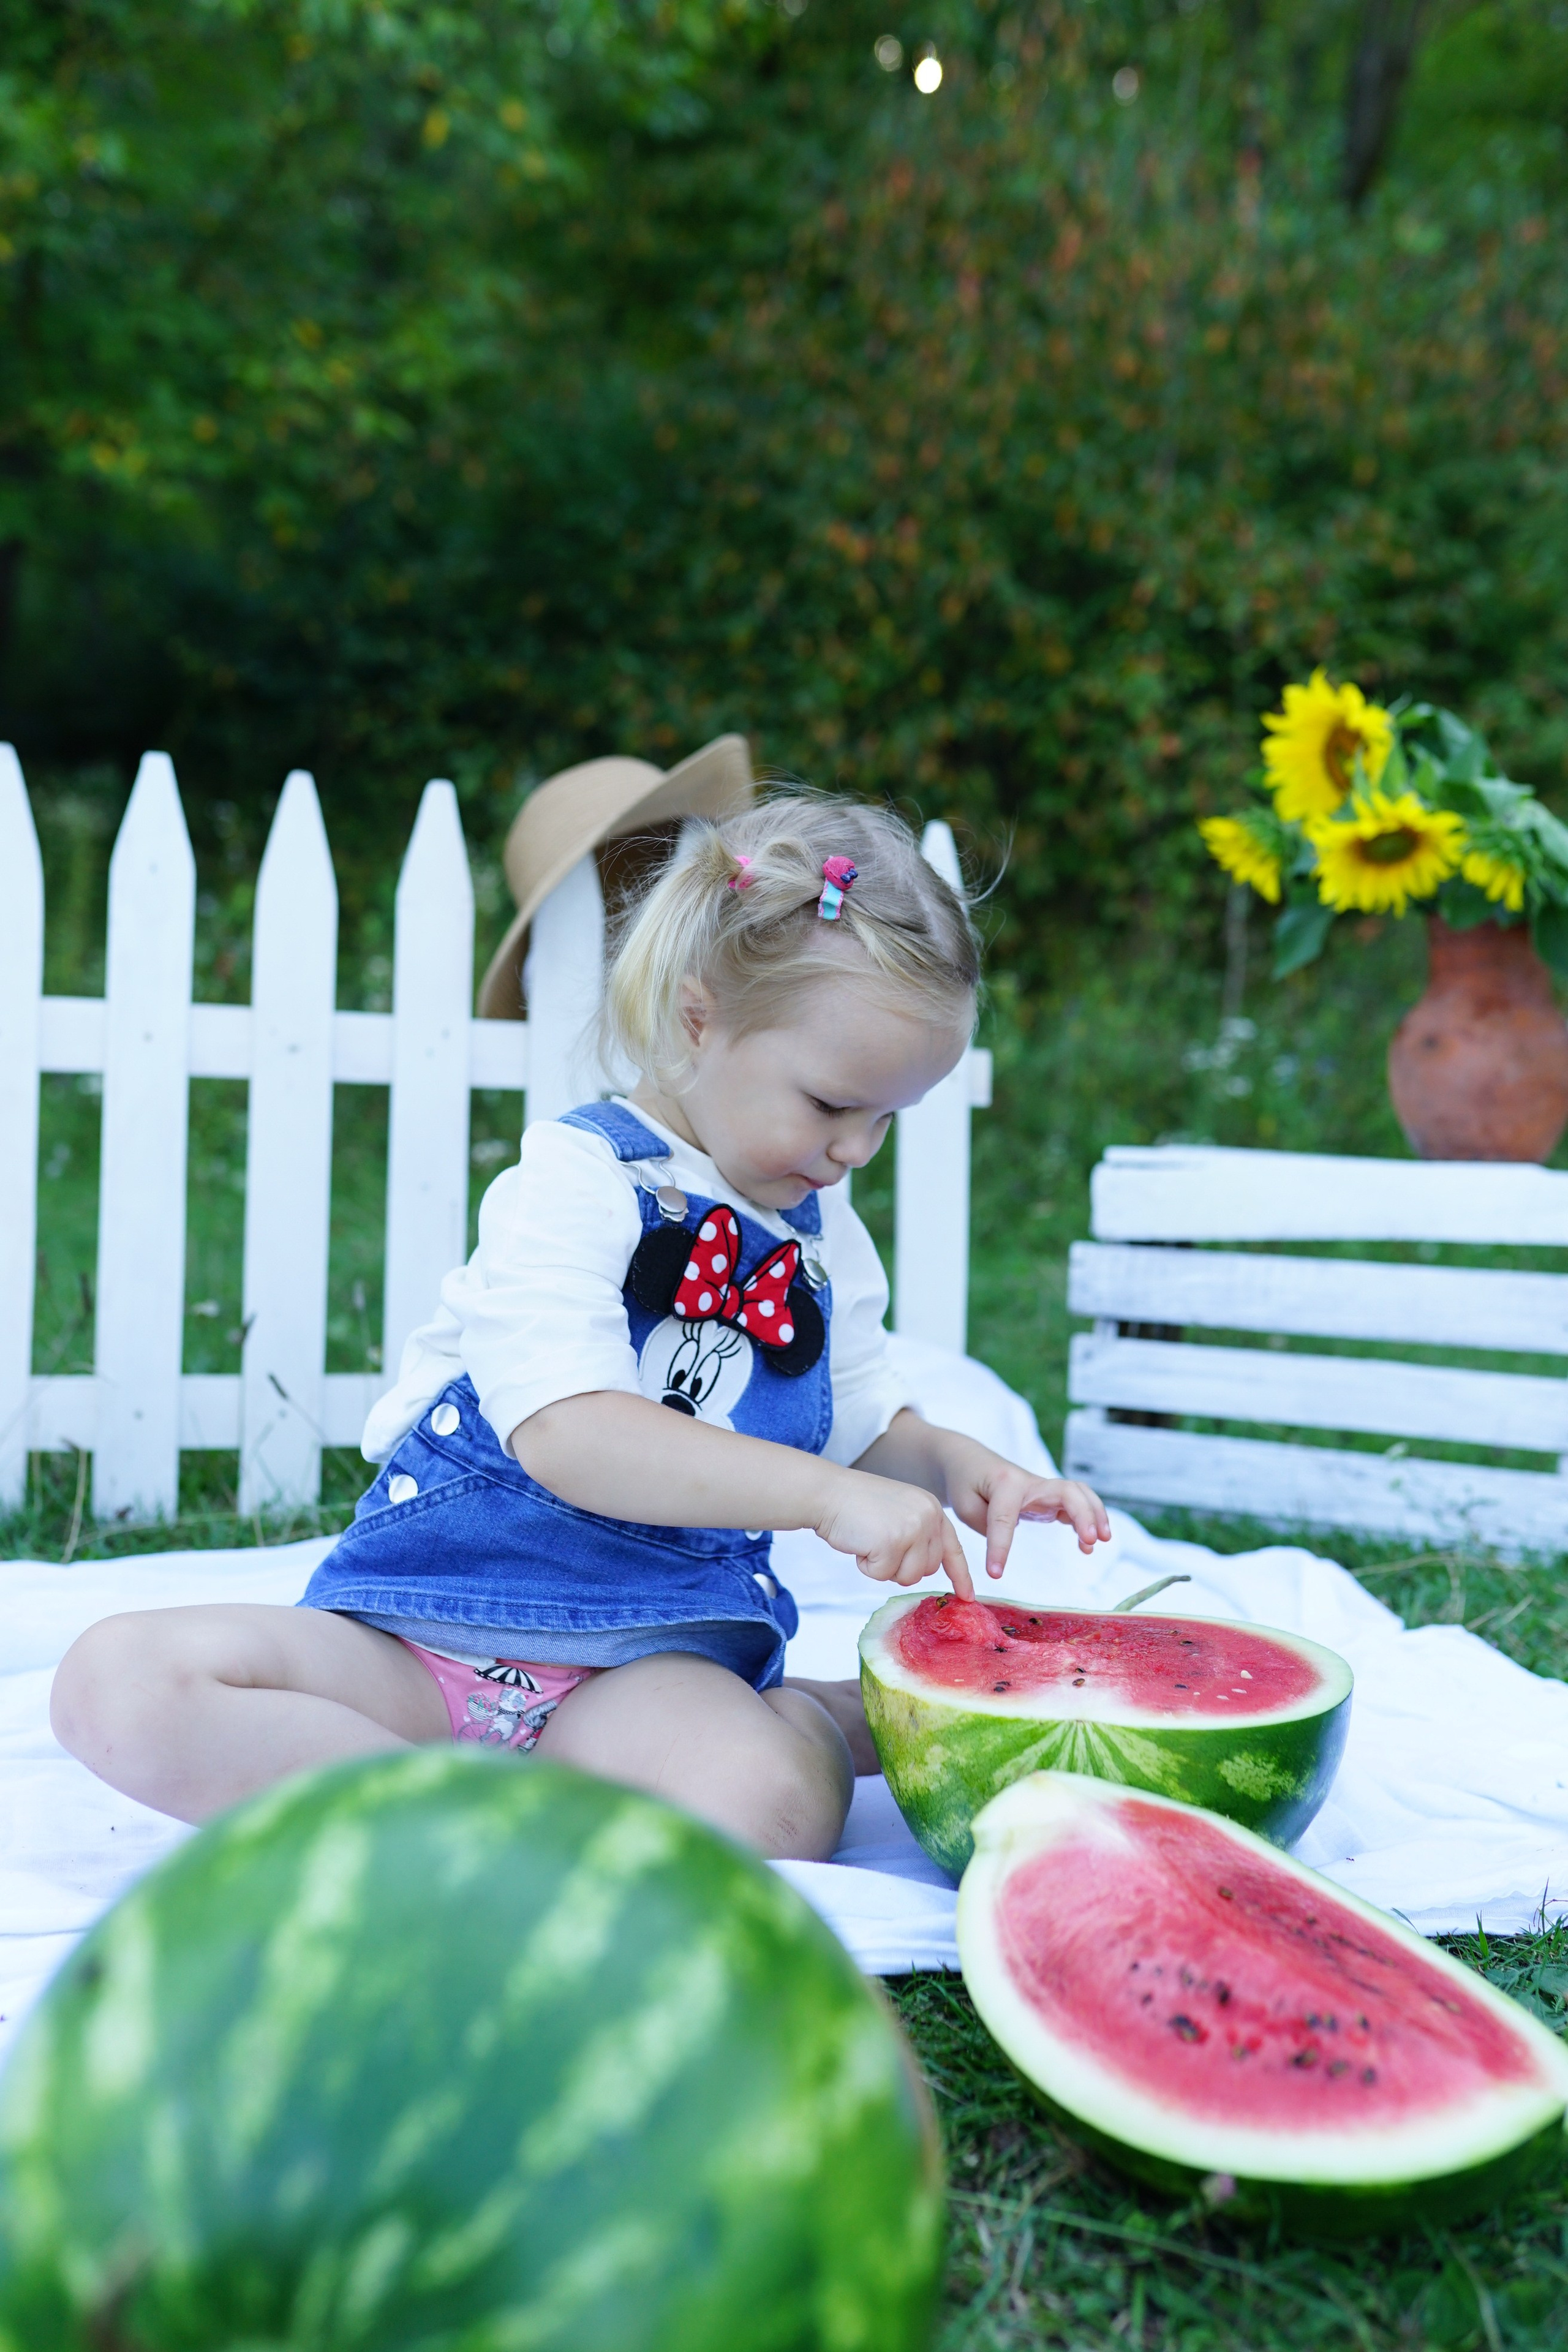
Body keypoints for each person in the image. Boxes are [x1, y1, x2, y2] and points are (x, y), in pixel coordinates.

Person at [52, 796, 1109, 1860]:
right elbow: (569, 1431)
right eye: (833, 1105)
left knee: (770, 1806)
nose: (856, 1151)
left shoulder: (825, 1242)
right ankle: (456, 1814)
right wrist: (828, 1499)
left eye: (888, 1119)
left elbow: (861, 1426)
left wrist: (961, 1468)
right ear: (699, 1020)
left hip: (647, 1673)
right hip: (421, 1635)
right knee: (118, 1685)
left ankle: (799, 1722)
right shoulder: (575, 1179)